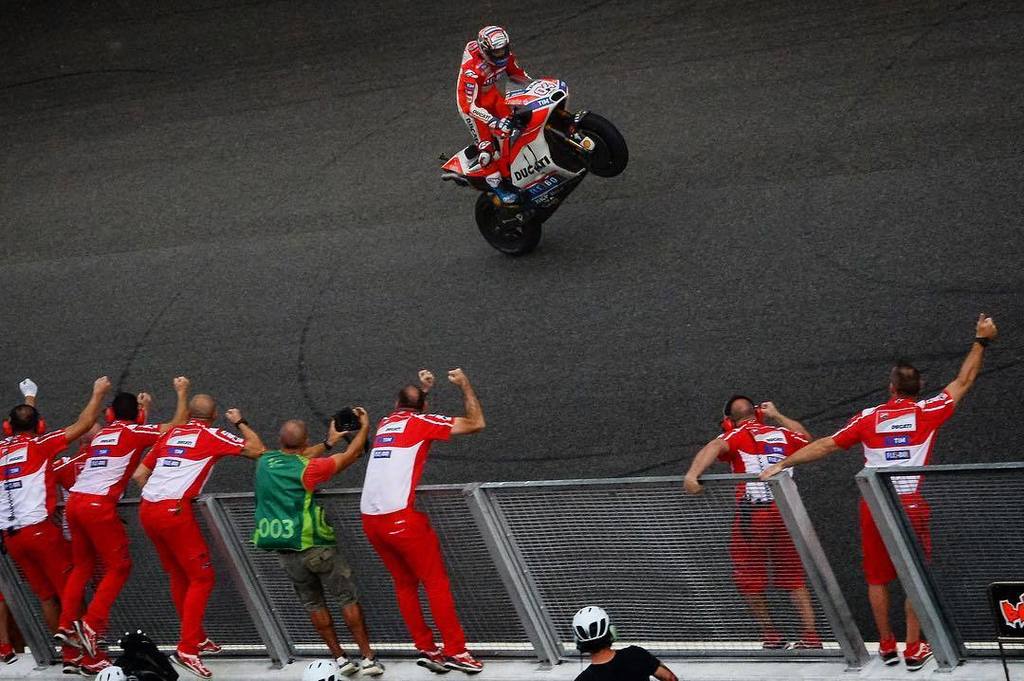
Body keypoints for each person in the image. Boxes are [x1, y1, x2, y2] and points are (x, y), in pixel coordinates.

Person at [760, 313, 999, 671]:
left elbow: (825, 445)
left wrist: (783, 463)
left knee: (876, 577)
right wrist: (981, 341)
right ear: (919, 389)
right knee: (913, 576)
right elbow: (965, 379)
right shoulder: (928, 410)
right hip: (911, 504)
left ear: (891, 388)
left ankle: (887, 644)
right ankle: (914, 648)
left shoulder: (868, 417)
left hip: (874, 505)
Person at [57, 378, 191, 666]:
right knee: (120, 566)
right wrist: (181, 392)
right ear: (138, 416)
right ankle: (91, 626)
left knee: (82, 567)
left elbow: (131, 435)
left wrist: (142, 411)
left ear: (109, 415)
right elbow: (177, 424)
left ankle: (67, 626)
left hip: (74, 503)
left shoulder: (102, 435)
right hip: (98, 507)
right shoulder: (135, 432)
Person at [360, 369, 485, 674]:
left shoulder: (384, 423)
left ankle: (427, 648)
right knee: (435, 583)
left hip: (370, 518)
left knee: (404, 583)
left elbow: (411, 412)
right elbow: (476, 423)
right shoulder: (421, 422)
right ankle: (456, 650)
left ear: (394, 404)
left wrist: (424, 393)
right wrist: (465, 386)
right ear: (424, 409)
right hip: (399, 518)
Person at [133, 394, 266, 679]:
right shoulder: (212, 434)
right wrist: (240, 422)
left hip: (148, 509)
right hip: (174, 513)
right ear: (214, 414)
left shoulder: (171, 434)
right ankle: (188, 649)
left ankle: (197, 636)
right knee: (202, 578)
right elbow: (258, 450)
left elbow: (139, 474)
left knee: (179, 576)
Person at [683, 397, 822, 649]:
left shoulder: (735, 435)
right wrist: (777, 414)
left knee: (747, 576)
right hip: (786, 513)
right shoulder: (781, 433)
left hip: (752, 516)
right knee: (794, 577)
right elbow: (807, 439)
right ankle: (811, 636)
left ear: (727, 421)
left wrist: (693, 475)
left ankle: (771, 634)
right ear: (757, 413)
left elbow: (713, 447)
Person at [253, 409, 384, 677]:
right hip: (317, 546)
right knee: (346, 599)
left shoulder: (265, 461)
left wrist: (328, 442)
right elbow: (353, 455)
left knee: (314, 605)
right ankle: (368, 658)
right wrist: (364, 428)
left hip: (286, 550)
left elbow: (298, 455)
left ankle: (340, 659)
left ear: (280, 440)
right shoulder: (309, 469)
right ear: (304, 442)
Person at [0, 376, 111, 674]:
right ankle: (91, 658)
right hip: (41, 534)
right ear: (40, 427)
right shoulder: (41, 445)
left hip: (12, 539)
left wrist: (30, 397)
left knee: (47, 597)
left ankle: (70, 655)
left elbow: (21, 426)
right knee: (71, 593)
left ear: (7, 428)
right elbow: (85, 422)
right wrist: (98, 393)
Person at [453, 25, 532, 204]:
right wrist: (493, 122)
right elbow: (471, 106)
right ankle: (499, 188)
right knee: (487, 148)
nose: (502, 55)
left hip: (491, 96)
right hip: (472, 106)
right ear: (486, 50)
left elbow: (518, 75)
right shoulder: (472, 70)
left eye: (504, 49)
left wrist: (535, 89)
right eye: (497, 52)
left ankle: (515, 169)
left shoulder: (506, 56)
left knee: (516, 125)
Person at [571, 606, 677, 681]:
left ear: (579, 643)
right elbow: (670, 678)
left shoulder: (584, 678)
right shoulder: (635, 655)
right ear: (611, 632)